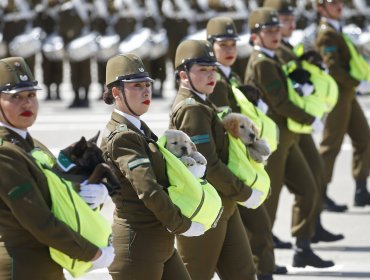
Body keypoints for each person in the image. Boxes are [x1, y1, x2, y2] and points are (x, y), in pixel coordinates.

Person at [0, 57, 114, 279]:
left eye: (31, 95)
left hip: (45, 264)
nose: (27, 104)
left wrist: (88, 194)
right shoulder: (5, 152)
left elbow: (55, 192)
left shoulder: (31, 144)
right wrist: (92, 253)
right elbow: (39, 219)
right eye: (16, 97)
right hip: (20, 266)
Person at [244, 8, 335, 268]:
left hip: (288, 134)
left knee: (308, 188)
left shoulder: (273, 58)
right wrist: (311, 119)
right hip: (274, 137)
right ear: (255, 36)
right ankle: (262, 262)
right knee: (268, 203)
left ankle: (302, 247)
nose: (275, 34)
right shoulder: (262, 62)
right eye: (268, 31)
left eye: (276, 29)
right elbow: (281, 102)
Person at [100, 53, 198, 280]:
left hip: (158, 241)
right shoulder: (123, 136)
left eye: (147, 85)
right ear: (116, 93)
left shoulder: (139, 129)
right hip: (138, 247)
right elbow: (148, 189)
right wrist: (182, 225)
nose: (146, 91)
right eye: (136, 86)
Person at [169, 39, 258, 280]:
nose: (211, 75)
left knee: (243, 272)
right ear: (183, 75)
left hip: (222, 203)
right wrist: (244, 192)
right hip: (204, 206)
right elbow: (208, 164)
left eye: (213, 69)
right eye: (202, 70)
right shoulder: (191, 109)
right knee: (196, 273)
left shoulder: (202, 102)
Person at [206, 16, 286, 280]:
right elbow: (226, 123)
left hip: (244, 160)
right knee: (255, 227)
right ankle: (263, 271)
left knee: (256, 227)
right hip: (232, 166)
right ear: (211, 47)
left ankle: (263, 270)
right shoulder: (214, 81)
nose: (230, 51)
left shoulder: (232, 74)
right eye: (223, 45)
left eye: (232, 45)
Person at [264, 0, 345, 242]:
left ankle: (310, 230)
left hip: (298, 123)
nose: (289, 24)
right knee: (274, 187)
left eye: (291, 19)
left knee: (316, 173)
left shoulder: (287, 47)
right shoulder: (270, 54)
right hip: (283, 124)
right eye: (283, 20)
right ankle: (266, 238)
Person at [315, 0, 370, 207]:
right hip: (337, 96)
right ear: (321, 7)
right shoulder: (326, 33)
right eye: (332, 3)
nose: (339, 6)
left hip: (348, 94)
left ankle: (361, 189)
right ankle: (320, 194)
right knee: (331, 145)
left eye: (340, 2)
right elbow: (333, 69)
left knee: (364, 138)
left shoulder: (336, 29)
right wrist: (358, 84)